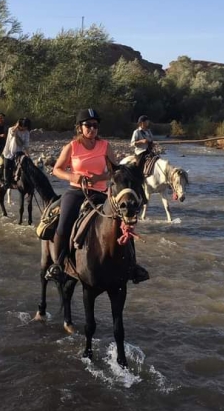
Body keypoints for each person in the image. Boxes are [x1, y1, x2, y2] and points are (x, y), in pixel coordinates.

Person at [45, 108, 149, 284]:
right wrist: (74, 177)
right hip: (77, 191)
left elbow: (115, 172)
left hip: (101, 193)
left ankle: (132, 265)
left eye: (95, 125)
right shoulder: (72, 146)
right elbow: (57, 169)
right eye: (88, 125)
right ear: (80, 127)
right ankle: (58, 264)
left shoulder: (105, 146)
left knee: (123, 222)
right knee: (64, 223)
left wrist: (99, 177)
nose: (92, 129)